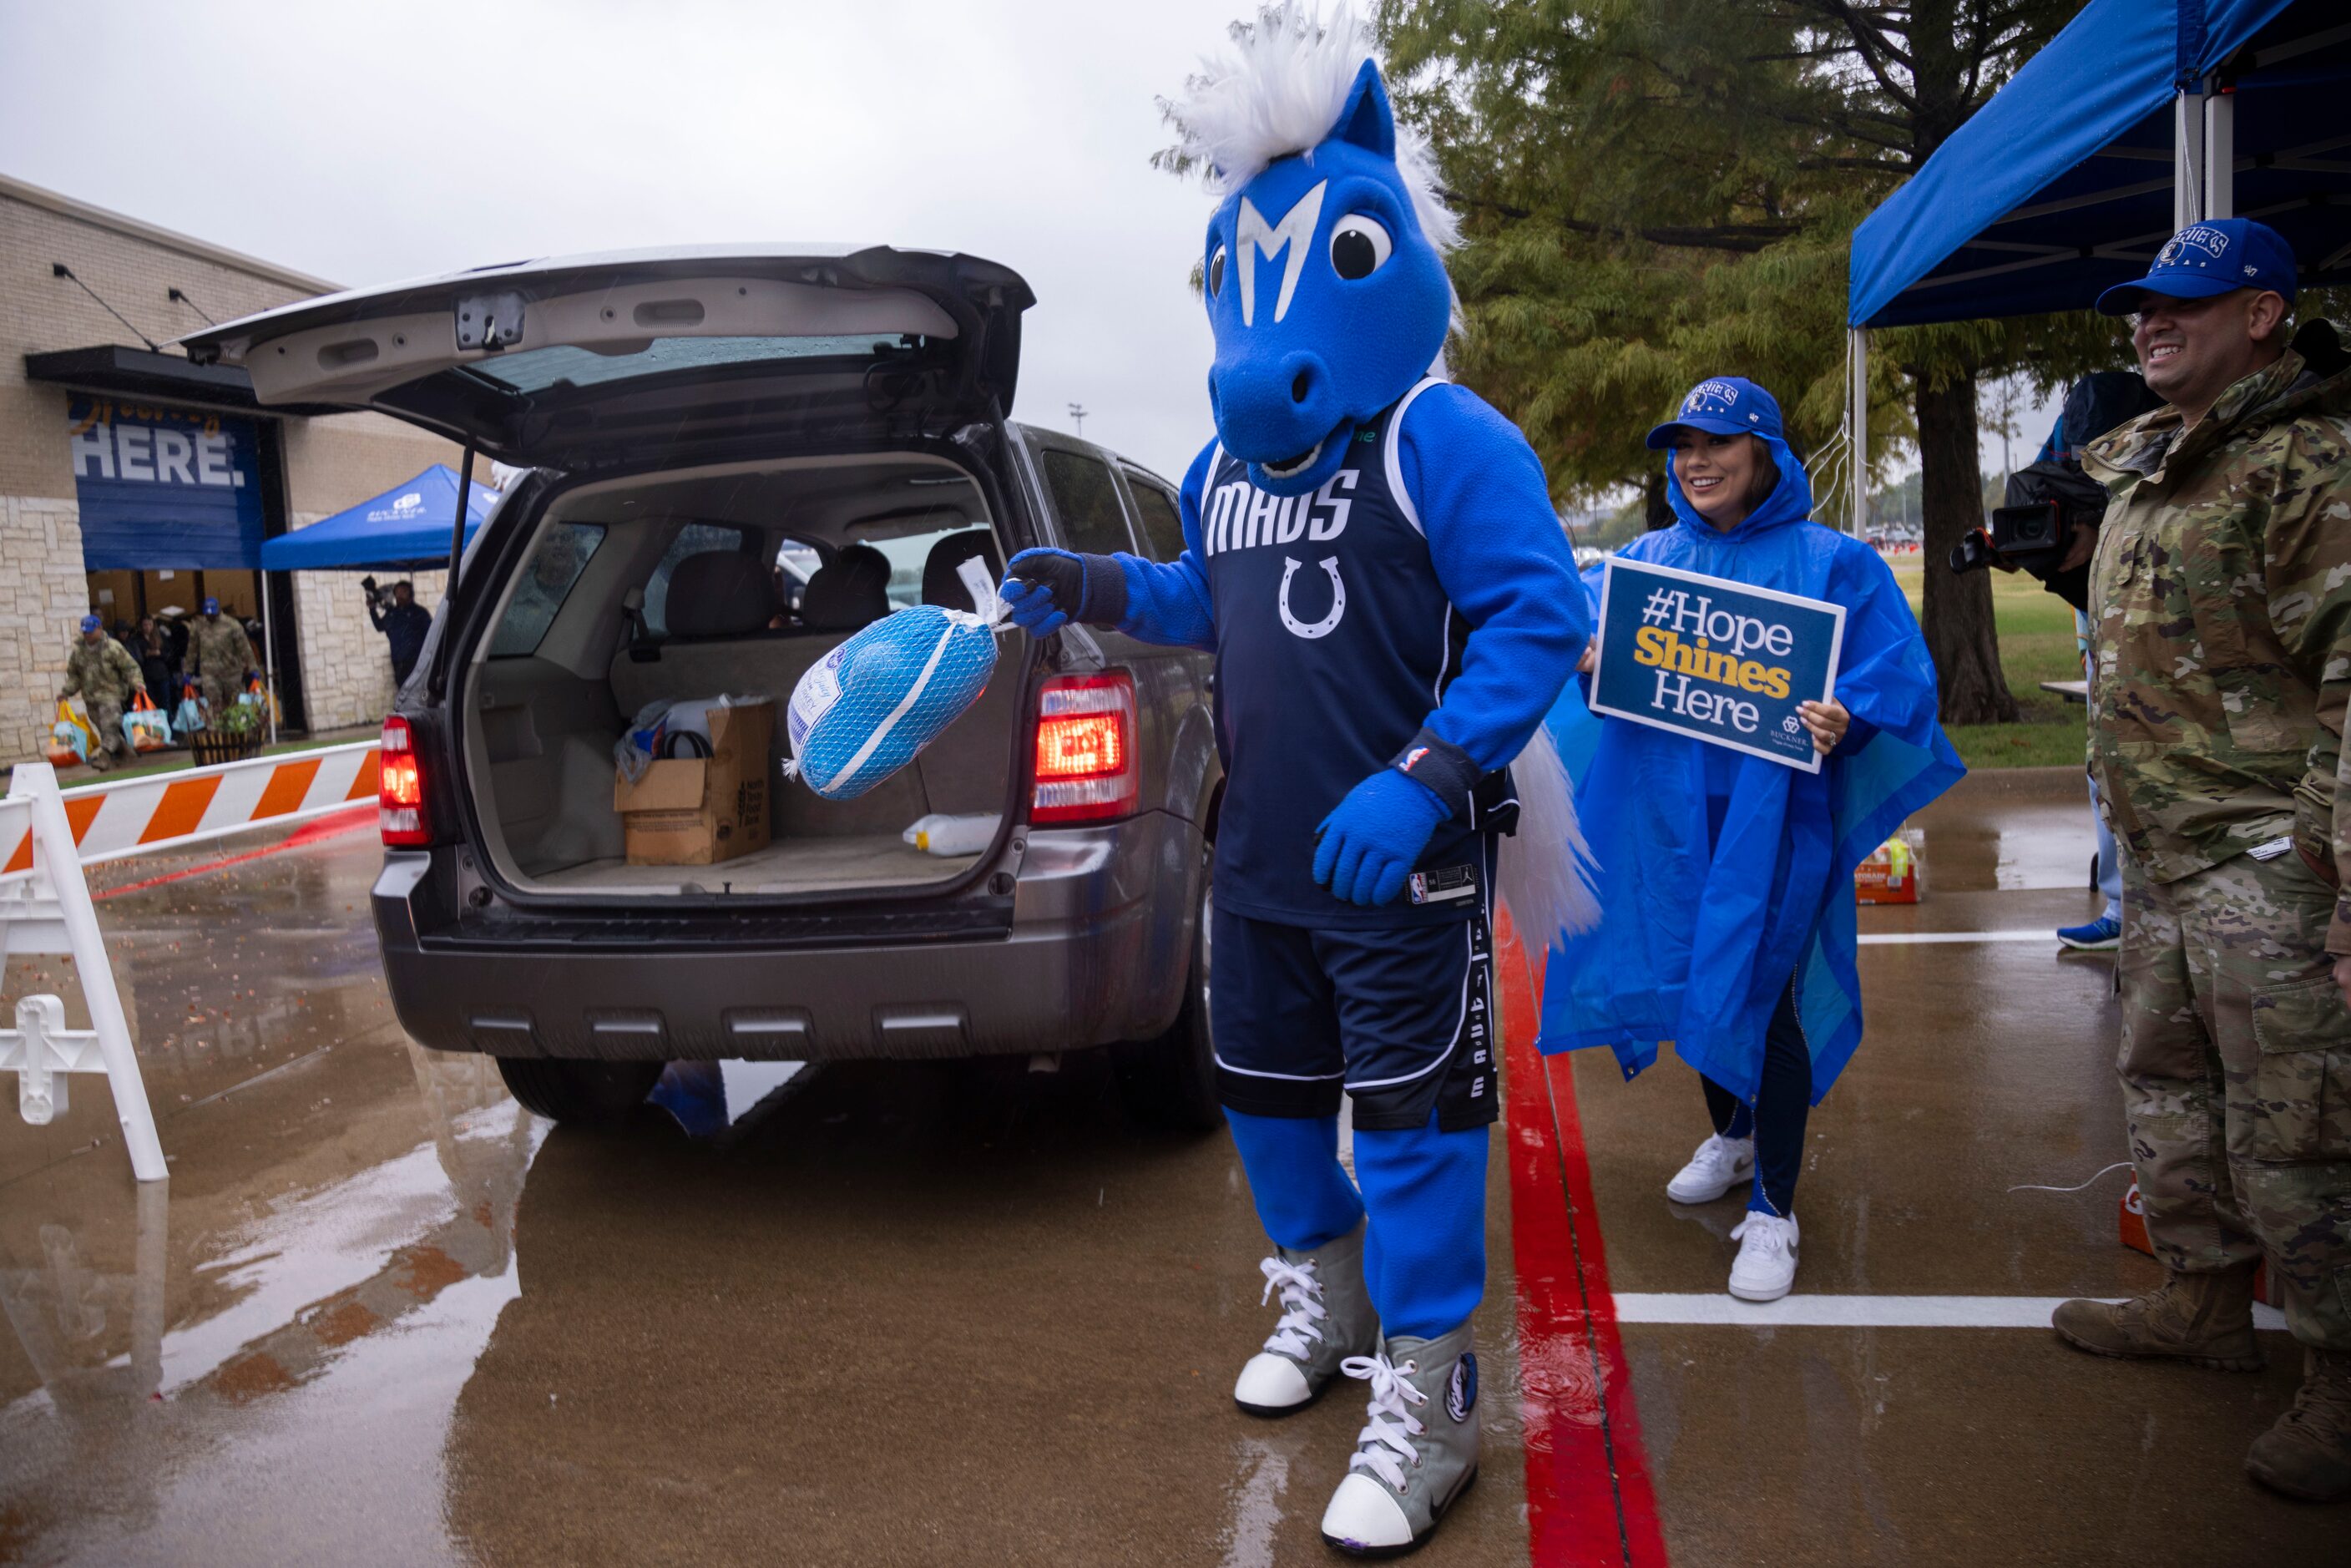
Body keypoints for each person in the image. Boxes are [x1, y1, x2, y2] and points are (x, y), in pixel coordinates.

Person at [1001, 23, 1586, 1554]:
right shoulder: (1223, 464)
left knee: (1410, 1135)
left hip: (1407, 871)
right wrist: (1098, 580)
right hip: (1256, 867)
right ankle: (1322, 1306)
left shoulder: (1441, 437)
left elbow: (1539, 616)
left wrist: (1427, 775)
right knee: (1267, 1110)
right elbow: (1211, 595)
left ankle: (1434, 1396)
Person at [2046, 216, 2351, 1504]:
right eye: (2143, 307)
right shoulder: (2160, 462)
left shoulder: (2309, 462)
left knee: (2299, 1128)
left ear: (2265, 315)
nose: (2149, 322)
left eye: (2183, 303)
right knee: (2169, 1089)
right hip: (2167, 851)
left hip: (2273, 852)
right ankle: (2204, 1298)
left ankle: (2340, 1379)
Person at [1541, 376, 1963, 1302]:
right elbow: (1594, 670)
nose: (1694, 462)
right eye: (1681, 446)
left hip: (1774, 822)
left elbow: (1895, 679)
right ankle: (1734, 1138)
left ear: (1764, 452)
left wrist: (1843, 718)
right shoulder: (1643, 562)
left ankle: (1773, 1208)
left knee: (1762, 992)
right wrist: (1587, 660)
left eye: (1716, 444)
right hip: (1669, 821)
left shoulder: (1832, 562)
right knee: (1696, 975)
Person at [58, 614, 147, 772]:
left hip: (111, 695)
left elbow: (130, 667)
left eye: (91, 631)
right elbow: (75, 676)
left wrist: (137, 682)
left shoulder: (113, 647)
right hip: (91, 698)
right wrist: (66, 692)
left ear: (100, 629)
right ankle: (128, 754)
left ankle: (104, 757)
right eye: (85, 632)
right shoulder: (79, 652)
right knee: (105, 729)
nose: (87, 635)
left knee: (110, 726)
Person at [182, 595, 255, 722]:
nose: (210, 616)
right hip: (210, 673)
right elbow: (192, 650)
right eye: (208, 614)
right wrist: (188, 671)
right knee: (214, 703)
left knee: (233, 703)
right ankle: (217, 731)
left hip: (231, 672)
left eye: (213, 613)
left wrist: (253, 667)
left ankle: (235, 731)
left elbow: (244, 647)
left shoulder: (232, 625)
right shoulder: (198, 626)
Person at [368, 579, 432, 688]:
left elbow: (431, 636)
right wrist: (372, 609)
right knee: (403, 692)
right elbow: (380, 626)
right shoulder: (392, 613)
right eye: (397, 592)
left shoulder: (420, 613)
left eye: (403, 592)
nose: (400, 595)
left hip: (417, 662)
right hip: (398, 663)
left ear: (410, 594)